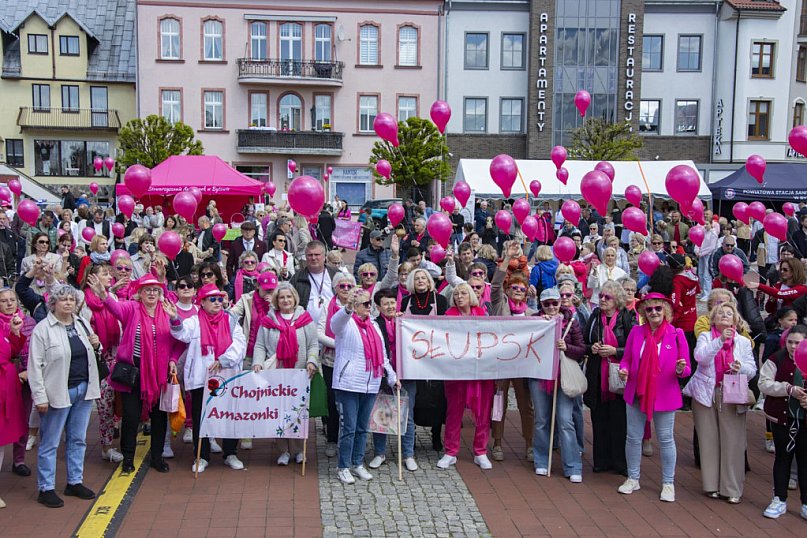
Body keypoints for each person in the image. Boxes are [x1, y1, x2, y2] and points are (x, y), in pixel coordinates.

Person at [91, 275, 177, 475]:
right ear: (140, 293)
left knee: (159, 416)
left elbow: (179, 338)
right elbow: (115, 308)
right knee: (131, 417)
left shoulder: (167, 310)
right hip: (133, 371)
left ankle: (157, 457)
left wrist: (172, 358)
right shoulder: (131, 308)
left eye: (155, 290)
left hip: (159, 372)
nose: (152, 293)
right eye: (147, 290)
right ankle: (128, 458)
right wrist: (104, 294)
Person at [28, 284, 101, 508]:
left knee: (78, 439)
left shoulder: (81, 323)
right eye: (63, 299)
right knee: (50, 441)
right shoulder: (43, 329)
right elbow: (35, 365)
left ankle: (74, 481)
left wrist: (96, 344)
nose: (68, 303)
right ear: (54, 303)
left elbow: (90, 353)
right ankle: (46, 487)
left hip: (83, 389)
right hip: (57, 391)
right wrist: (40, 396)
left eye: (71, 299)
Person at [617, 292, 691, 502]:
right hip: (637, 391)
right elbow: (627, 360)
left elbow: (685, 370)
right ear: (643, 312)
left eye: (658, 308)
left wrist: (680, 368)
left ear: (665, 311)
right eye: (649, 309)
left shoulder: (676, 334)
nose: (654, 312)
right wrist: (624, 370)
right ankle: (633, 478)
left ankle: (668, 483)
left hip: (665, 394)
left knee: (666, 439)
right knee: (633, 437)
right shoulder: (636, 332)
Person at [165, 284, 247, 473]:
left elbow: (239, 343)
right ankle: (201, 455)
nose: (217, 303)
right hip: (201, 377)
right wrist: (174, 318)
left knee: (229, 415)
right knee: (201, 417)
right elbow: (181, 333)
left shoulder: (230, 320)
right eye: (212, 299)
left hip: (226, 375)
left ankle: (230, 453)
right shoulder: (194, 321)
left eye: (219, 299)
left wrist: (223, 360)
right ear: (202, 302)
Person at [686, 302, 756, 504]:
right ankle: (711, 486)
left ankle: (732, 488)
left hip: (732, 392)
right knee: (708, 440)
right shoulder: (706, 337)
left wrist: (740, 367)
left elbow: (752, 369)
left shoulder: (742, 342)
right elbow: (700, 358)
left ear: (735, 320)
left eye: (729, 314)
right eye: (720, 314)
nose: (725, 316)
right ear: (713, 319)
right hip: (706, 392)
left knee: (733, 441)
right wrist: (719, 342)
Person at [329, 288, 399, 484]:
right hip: (349, 384)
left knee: (362, 427)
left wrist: (392, 376)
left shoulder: (374, 326)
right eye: (366, 304)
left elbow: (383, 355)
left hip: (370, 383)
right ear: (356, 306)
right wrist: (348, 307)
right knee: (348, 427)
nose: (369, 308)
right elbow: (335, 324)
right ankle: (343, 466)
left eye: (370, 304)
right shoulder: (347, 323)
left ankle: (357, 463)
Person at [253, 283, 318, 465]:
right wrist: (258, 363)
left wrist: (312, 361)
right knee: (278, 413)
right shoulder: (268, 321)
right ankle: (283, 450)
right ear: (276, 300)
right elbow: (259, 345)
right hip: (276, 375)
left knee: (297, 412)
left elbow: (313, 344)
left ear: (295, 298)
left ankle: (298, 449)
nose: (285, 300)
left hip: (299, 374)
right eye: (281, 297)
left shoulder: (305, 319)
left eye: (289, 297)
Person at [435, 283, 495, 470]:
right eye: (456, 294)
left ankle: (481, 451)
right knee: (454, 412)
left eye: (463, 293)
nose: (459, 297)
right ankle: (450, 451)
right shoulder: (447, 317)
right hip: (456, 372)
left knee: (483, 412)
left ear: (471, 295)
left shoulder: (483, 316)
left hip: (481, 371)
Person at [530, 287, 586, 481]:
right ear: (541, 305)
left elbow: (581, 349)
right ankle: (542, 461)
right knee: (542, 420)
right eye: (547, 304)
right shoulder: (534, 321)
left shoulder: (572, 321)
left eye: (555, 303)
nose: (552, 307)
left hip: (564, 376)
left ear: (561, 304)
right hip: (540, 376)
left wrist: (566, 347)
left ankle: (573, 466)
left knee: (565, 420)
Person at [583, 280, 636, 475]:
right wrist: (593, 348)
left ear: (617, 300)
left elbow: (634, 347)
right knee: (599, 419)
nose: (603, 300)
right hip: (598, 374)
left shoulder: (626, 318)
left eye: (607, 297)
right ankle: (601, 460)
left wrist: (616, 350)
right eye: (601, 296)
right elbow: (585, 343)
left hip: (619, 373)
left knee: (619, 420)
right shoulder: (595, 316)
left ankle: (620, 462)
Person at [489, 241, 534, 461]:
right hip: (501, 361)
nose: (517, 291)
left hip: (523, 365)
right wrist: (506, 258)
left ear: (526, 293)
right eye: (514, 288)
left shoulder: (532, 313)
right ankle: (497, 443)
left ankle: (530, 444)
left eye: (521, 289)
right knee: (499, 401)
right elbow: (495, 285)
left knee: (527, 404)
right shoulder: (500, 303)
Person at [759, 325, 807, 519]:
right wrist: (787, 389)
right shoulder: (776, 359)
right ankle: (779, 498)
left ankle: (805, 503)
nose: (794, 346)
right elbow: (764, 383)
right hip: (782, 418)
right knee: (782, 458)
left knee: (805, 460)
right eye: (790, 342)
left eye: (798, 342)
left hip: (803, 420)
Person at [400, 267, 448, 451]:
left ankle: (436, 436)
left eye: (424, 278)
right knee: (415, 397)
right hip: (413, 358)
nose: (420, 281)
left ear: (429, 281)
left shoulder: (441, 300)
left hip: (435, 356)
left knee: (437, 397)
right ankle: (410, 438)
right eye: (417, 278)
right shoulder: (405, 302)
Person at [80, 263, 124, 464]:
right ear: (92, 277)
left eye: (110, 273)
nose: (110, 276)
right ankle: (106, 447)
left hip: (115, 358)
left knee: (117, 403)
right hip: (94, 362)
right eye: (105, 274)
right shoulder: (82, 302)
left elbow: (121, 323)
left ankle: (112, 436)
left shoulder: (112, 298)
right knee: (104, 405)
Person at [318, 272, 355, 458]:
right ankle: (332, 438)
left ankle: (350, 439)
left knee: (350, 401)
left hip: (353, 362)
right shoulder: (327, 305)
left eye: (349, 286)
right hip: (331, 360)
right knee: (332, 401)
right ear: (335, 288)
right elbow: (320, 332)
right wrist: (339, 344)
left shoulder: (359, 305)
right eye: (342, 286)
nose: (346, 290)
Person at [0, 289, 26, 508]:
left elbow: (12, 351)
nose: (8, 304)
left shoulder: (16, 321)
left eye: (11, 300)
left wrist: (15, 333)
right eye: (3, 301)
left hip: (9, 384)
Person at [289, 241, 337, 325]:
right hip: (306, 327)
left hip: (333, 327)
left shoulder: (336, 275)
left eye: (317, 254)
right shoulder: (297, 278)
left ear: (324, 256)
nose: (313, 258)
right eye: (310, 255)